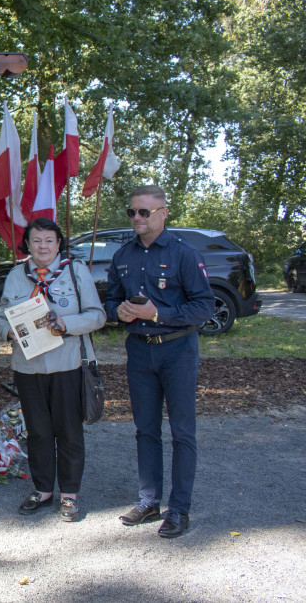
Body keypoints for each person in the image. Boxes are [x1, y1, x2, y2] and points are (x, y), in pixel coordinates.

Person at [105, 185, 214, 538]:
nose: (136, 218)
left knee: (182, 432)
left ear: (163, 213)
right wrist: (118, 312)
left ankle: (179, 509)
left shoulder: (184, 254)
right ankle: (148, 501)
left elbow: (204, 307)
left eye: (144, 212)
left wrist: (157, 313)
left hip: (177, 351)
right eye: (132, 212)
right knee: (145, 429)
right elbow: (110, 302)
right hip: (139, 352)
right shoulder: (123, 255)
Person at [0, 218, 105, 521]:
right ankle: (43, 489)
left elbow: (97, 316)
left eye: (49, 241)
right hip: (28, 368)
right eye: (36, 241)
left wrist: (66, 323)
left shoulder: (75, 271)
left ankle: (69, 495)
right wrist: (9, 332)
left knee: (68, 432)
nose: (42, 246)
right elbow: (0, 317)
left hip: (67, 364)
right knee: (38, 432)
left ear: (58, 244)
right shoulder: (17, 275)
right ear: (27, 245)